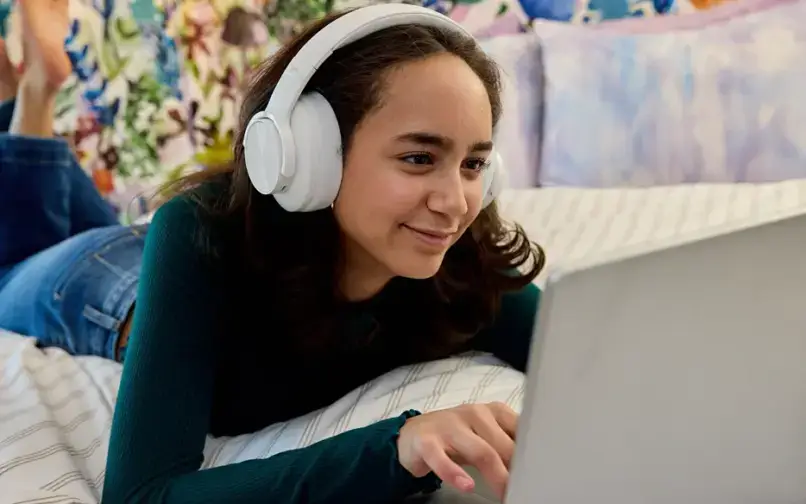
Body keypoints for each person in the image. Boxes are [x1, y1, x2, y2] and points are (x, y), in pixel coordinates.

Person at [0, 2, 546, 503]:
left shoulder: (460, 264)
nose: (455, 203)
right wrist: (396, 447)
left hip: (181, 249)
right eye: (419, 158)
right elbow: (141, 496)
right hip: (110, 288)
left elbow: (574, 353)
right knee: (12, 267)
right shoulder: (196, 232)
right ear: (309, 154)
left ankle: (22, 108)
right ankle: (34, 97)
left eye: (473, 164)